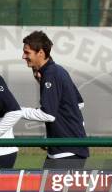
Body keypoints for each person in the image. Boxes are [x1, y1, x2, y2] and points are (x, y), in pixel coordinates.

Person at [20, 31, 88, 169]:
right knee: (48, 190)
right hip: (65, 149)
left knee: (56, 191)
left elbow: (47, 114)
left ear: (40, 53)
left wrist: (14, 110)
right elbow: (78, 104)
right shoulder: (57, 70)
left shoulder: (51, 74)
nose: (23, 56)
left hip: (66, 152)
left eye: (27, 53)